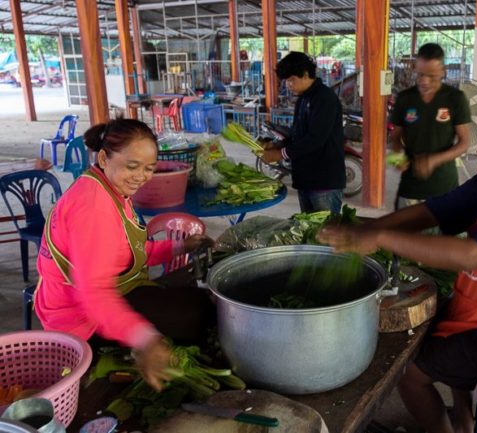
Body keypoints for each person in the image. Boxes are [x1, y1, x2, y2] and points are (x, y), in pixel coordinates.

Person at [318, 104, 477, 433]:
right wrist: (371, 228)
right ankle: (464, 419)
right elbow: (432, 212)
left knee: (408, 372)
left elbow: (469, 255)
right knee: (436, 325)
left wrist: (381, 237)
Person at [35, 119, 216, 391]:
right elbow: (93, 292)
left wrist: (181, 246)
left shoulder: (111, 189)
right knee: (199, 312)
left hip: (113, 290)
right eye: (132, 166)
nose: (141, 176)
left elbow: (128, 253)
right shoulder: (93, 206)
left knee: (199, 300)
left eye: (149, 169)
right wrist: (146, 340)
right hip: (80, 317)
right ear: (104, 157)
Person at [261, 51, 346, 214]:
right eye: (286, 81)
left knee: (324, 234)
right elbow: (298, 134)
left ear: (306, 74)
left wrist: (281, 154)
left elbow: (315, 139)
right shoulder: (303, 98)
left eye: (292, 79)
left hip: (323, 182)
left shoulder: (324, 98)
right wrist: (277, 144)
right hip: (306, 179)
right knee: (307, 232)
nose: (288, 85)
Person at [390, 43, 472, 209]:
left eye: (432, 76)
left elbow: (464, 143)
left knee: (441, 234)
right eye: (420, 75)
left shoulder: (455, 98)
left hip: (444, 187)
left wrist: (435, 160)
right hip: (410, 187)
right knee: (404, 234)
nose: (425, 82)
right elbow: (395, 136)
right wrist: (397, 157)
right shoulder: (405, 98)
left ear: (443, 71)